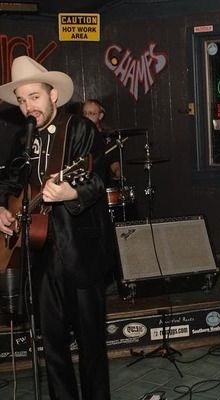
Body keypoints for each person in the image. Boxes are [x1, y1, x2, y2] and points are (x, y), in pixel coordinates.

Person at [0, 56, 114, 400]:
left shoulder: (80, 130)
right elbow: (10, 182)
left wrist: (71, 192)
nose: (28, 107)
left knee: (91, 344)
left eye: (34, 97)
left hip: (81, 251)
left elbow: (98, 177)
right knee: (52, 346)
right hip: (39, 255)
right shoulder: (22, 139)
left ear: (53, 95)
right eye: (22, 100)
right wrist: (3, 207)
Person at [82, 99, 121, 180]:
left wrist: (118, 172)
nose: (87, 117)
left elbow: (114, 163)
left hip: (102, 181)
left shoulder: (108, 137)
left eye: (91, 113)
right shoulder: (78, 137)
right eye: (85, 113)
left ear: (100, 116)